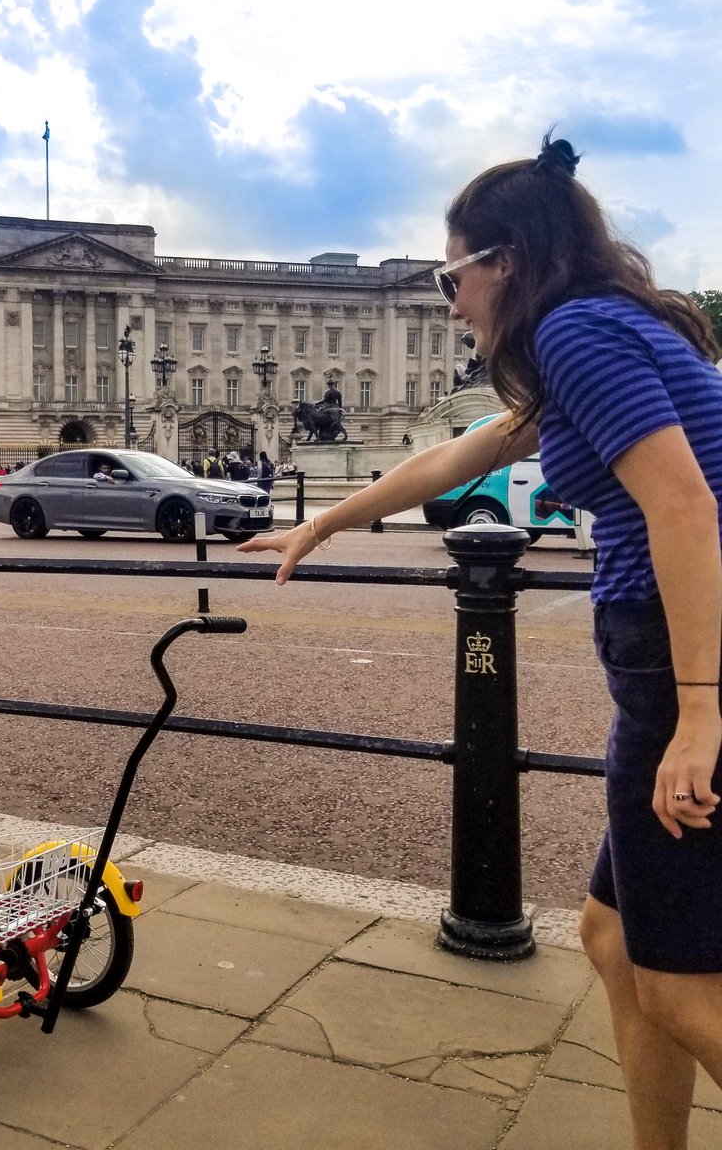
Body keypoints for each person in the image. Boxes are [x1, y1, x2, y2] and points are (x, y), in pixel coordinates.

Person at [240, 133, 722, 1148]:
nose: (448, 298)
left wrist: (699, 711)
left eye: (450, 273)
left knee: (680, 989)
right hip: (673, 647)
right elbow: (471, 450)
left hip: (681, 652)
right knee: (613, 939)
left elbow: (684, 508)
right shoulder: (602, 326)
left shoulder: (577, 334)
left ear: (503, 260)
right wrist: (327, 521)